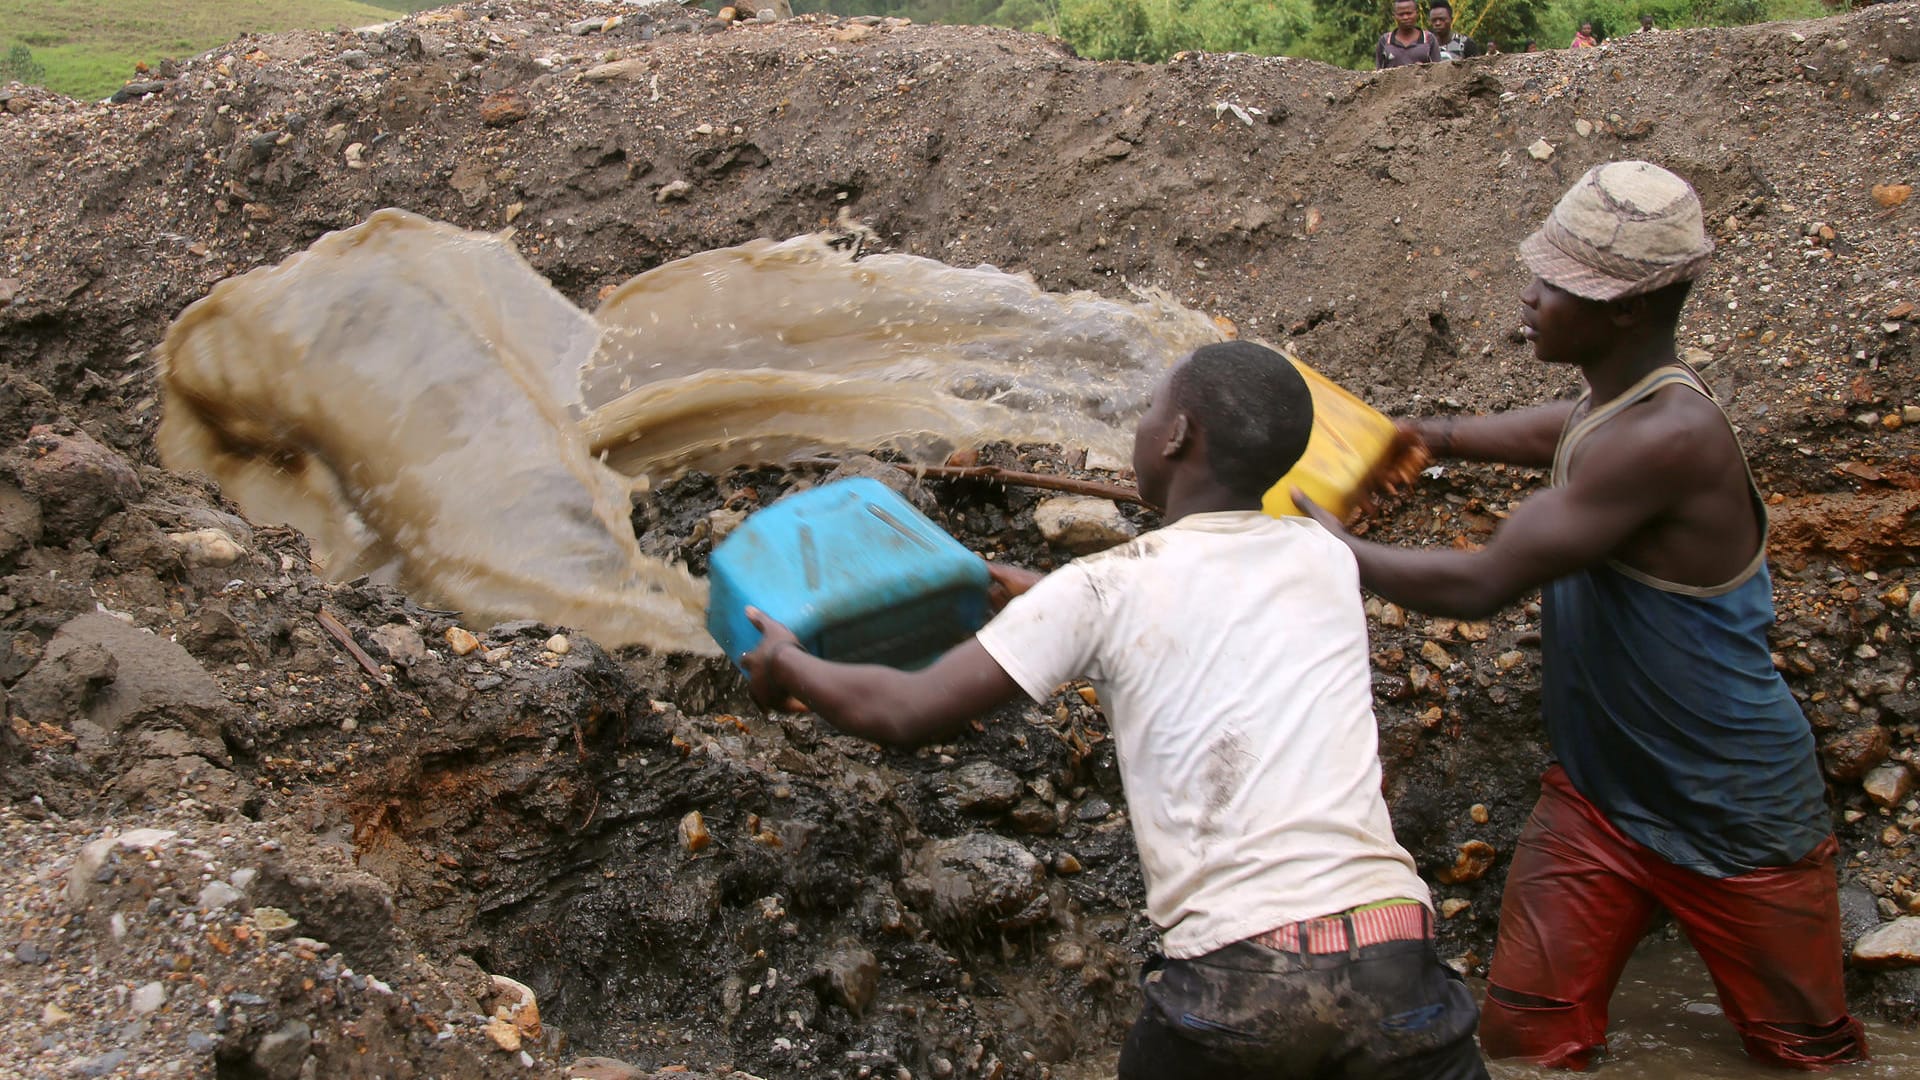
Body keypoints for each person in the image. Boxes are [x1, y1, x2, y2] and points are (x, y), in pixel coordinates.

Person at [741, 341, 1489, 1080]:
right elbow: (1197, 613)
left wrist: (787, 661)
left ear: (1177, 435)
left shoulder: (1103, 589)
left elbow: (906, 711)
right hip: (1398, 960)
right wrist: (1040, 598)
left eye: (1150, 409)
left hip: (1240, 978)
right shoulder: (1323, 558)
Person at [1294, 161, 1870, 1071]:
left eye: (1554, 287)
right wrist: (1432, 435)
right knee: (1525, 1043)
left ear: (1624, 309)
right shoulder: (1625, 405)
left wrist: (1325, 542)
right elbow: (1557, 427)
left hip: (1736, 814)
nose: (1528, 297)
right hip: (1602, 802)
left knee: (1805, 1054)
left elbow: (1481, 586)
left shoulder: (1669, 441)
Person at [1376, 0, 1442, 68]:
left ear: (1417, 13)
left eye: (1409, 13)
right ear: (1394, 16)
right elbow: (1378, 73)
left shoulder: (1429, 39)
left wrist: (1423, 70)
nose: (1405, 17)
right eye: (1401, 14)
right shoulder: (1385, 41)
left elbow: (1438, 72)